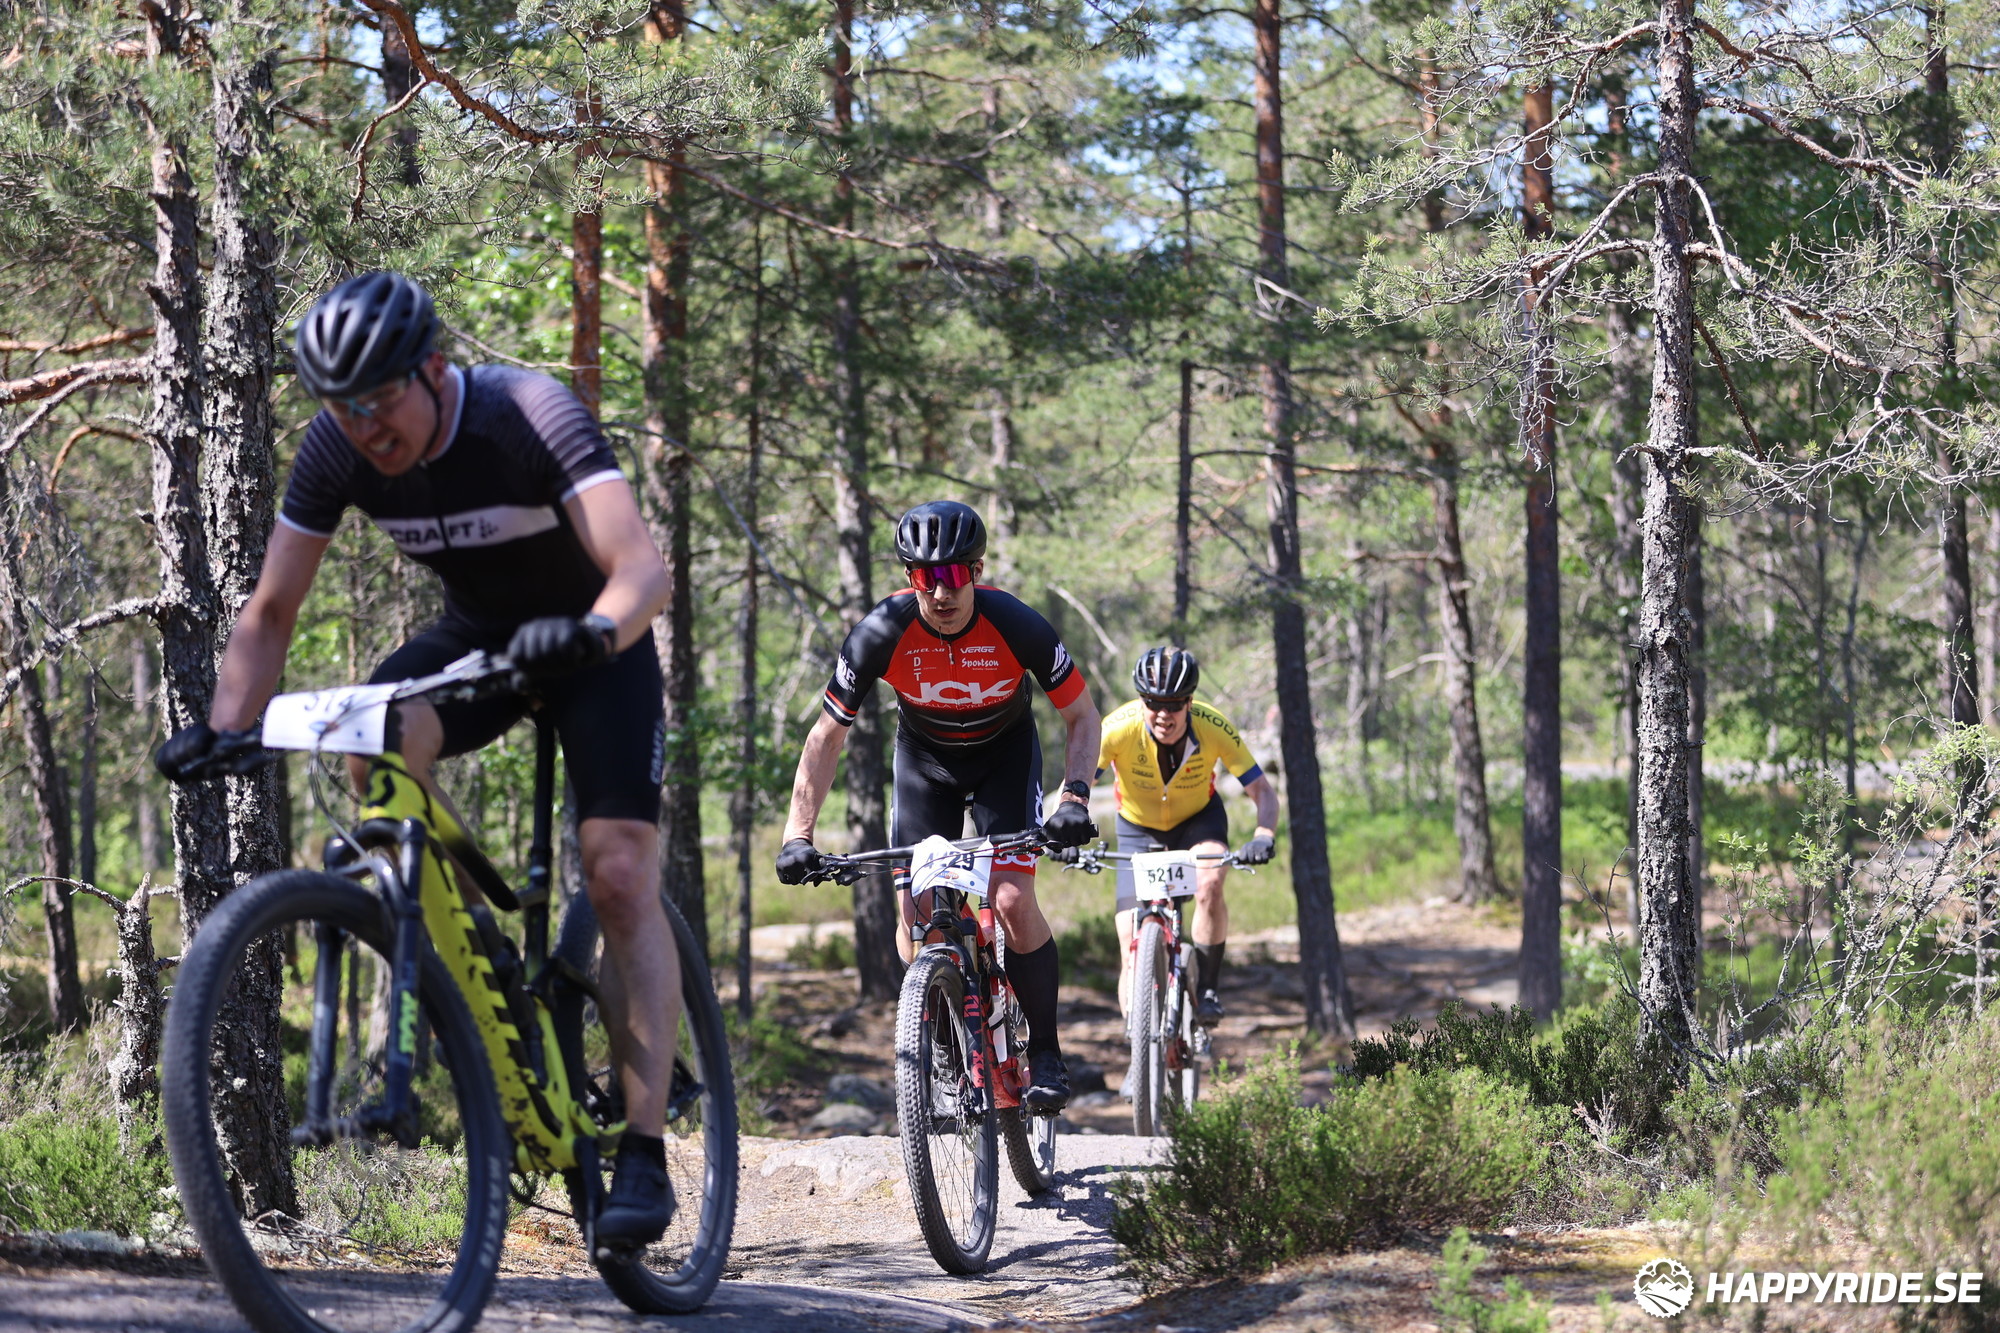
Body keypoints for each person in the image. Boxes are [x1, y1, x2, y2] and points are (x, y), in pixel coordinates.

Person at [154, 271, 682, 1250]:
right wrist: (227, 726)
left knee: (616, 872)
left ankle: (645, 1151)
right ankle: (470, 958)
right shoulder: (335, 451)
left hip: (591, 648)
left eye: (379, 398)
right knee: (374, 744)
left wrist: (593, 633)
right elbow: (270, 610)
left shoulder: (526, 413)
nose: (364, 426)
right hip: (479, 642)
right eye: (340, 406)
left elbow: (642, 569)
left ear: (433, 370)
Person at [774, 500, 1101, 1110]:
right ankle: (949, 1049)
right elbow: (826, 737)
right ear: (910, 577)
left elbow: (1082, 716)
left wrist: (1074, 798)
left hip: (1005, 758)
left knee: (1010, 898)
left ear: (977, 571)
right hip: (926, 765)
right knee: (916, 917)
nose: (941, 592)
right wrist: (798, 834)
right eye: (927, 576)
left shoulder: (1016, 624)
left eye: (953, 574)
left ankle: (1046, 1052)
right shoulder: (881, 632)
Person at [1096, 646, 1278, 1037]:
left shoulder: (1213, 726)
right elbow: (1076, 783)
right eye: (1153, 703)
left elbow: (1263, 791)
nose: (1163, 714)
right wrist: (1067, 815)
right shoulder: (1117, 728)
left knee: (1210, 882)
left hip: (1198, 821)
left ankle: (1208, 987)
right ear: (1141, 701)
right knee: (1128, 938)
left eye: (1174, 704)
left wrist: (1263, 835)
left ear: (1189, 703)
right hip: (1137, 828)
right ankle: (1138, 1043)